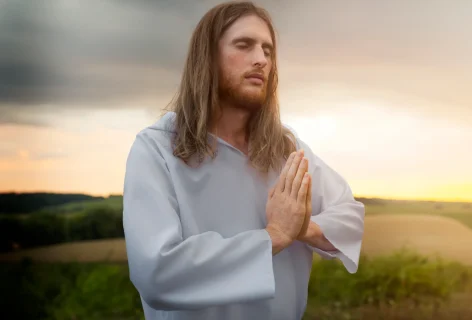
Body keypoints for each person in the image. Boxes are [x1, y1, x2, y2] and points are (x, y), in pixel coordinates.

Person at [122, 1, 365, 319]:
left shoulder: (286, 147)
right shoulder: (156, 149)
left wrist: (304, 227)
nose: (261, 59)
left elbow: (350, 214)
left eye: (267, 50)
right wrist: (275, 236)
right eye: (244, 45)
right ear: (207, 56)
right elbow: (157, 272)